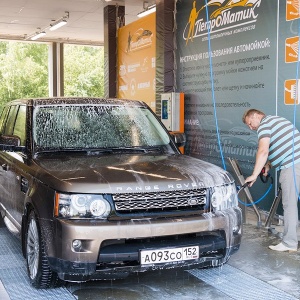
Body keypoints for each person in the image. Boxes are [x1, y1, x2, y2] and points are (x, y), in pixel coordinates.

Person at [242, 108, 300, 252]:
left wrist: (254, 175)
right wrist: (269, 165)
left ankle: (289, 243)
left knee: (290, 205)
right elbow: (282, 146)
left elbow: (263, 151)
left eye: (250, 123)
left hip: (292, 166)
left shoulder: (264, 125)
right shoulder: (276, 120)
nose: (251, 127)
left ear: (256, 115)